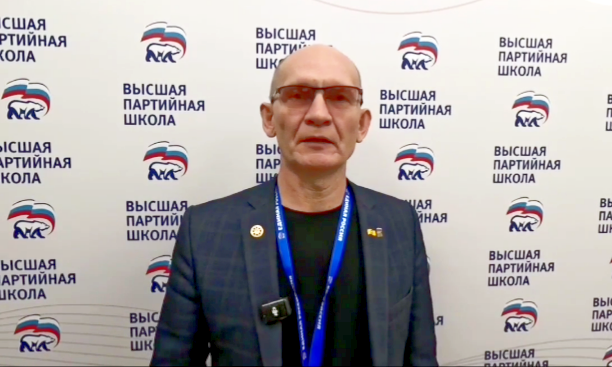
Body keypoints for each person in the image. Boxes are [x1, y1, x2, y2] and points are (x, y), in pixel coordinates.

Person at [150, 44, 439, 366]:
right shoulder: (205, 231)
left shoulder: (400, 223)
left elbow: (421, 358)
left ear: (361, 124)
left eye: (340, 97)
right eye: (298, 95)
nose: (318, 115)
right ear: (269, 118)